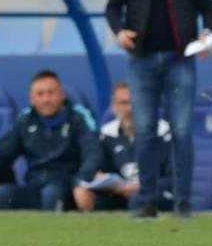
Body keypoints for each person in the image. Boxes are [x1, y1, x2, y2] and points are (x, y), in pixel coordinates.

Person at [105, 0, 212, 219]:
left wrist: (207, 34)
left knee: (181, 130)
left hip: (180, 59)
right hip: (141, 61)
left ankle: (183, 203)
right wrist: (119, 31)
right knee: (145, 130)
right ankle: (147, 202)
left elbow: (209, 8)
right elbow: (113, 7)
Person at [0, 70, 102, 211]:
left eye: (51, 93)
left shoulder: (78, 117)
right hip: (33, 186)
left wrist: (82, 182)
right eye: (40, 94)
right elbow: (2, 154)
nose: (46, 99)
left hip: (67, 187)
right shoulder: (24, 120)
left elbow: (93, 153)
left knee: (52, 194)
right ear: (32, 98)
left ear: (61, 95)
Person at [74, 81, 173, 212]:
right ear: (113, 107)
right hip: (122, 194)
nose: (130, 109)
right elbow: (92, 166)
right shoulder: (106, 134)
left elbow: (174, 178)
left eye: (134, 103)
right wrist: (87, 182)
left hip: (158, 193)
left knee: (138, 199)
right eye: (123, 103)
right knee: (93, 201)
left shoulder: (163, 131)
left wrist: (140, 186)